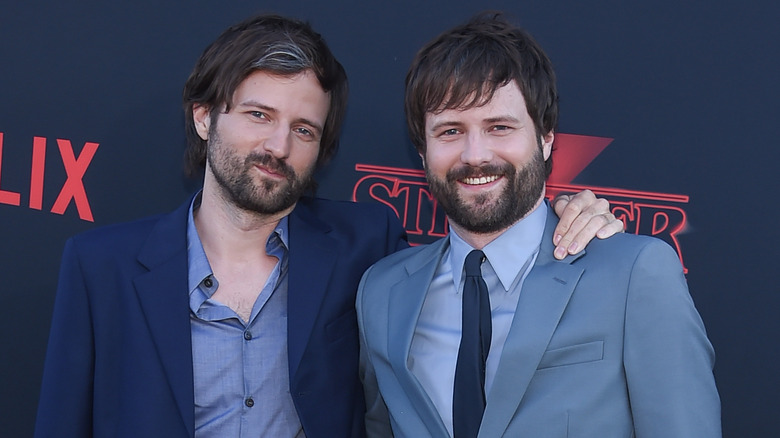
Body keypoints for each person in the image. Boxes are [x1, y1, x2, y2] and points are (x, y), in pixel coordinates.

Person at [34, 14, 621, 438]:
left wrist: (566, 215)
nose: (277, 145)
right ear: (205, 117)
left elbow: (484, 250)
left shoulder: (368, 245)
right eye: (258, 115)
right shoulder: (100, 265)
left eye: (304, 129)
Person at [357, 12, 721, 438]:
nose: (475, 154)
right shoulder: (380, 293)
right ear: (422, 151)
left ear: (546, 137)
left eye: (499, 127)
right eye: (451, 130)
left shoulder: (633, 274)